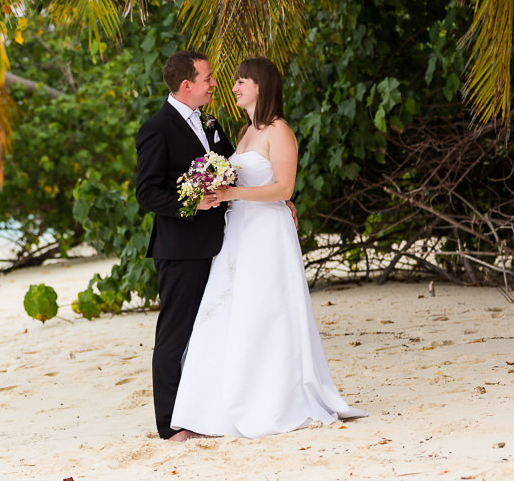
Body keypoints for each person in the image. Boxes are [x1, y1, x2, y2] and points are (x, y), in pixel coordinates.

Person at [170, 56, 366, 440]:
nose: (235, 87)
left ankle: (272, 400)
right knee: (227, 311)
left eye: (242, 81)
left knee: (266, 312)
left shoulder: (280, 131)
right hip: (239, 231)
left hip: (267, 233)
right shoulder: (244, 134)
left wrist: (232, 193)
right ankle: (210, 411)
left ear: (261, 85)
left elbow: (284, 189)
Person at [134, 50, 235, 440]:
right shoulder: (156, 129)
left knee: (210, 330)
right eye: (207, 78)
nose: (213, 83)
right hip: (180, 247)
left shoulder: (209, 121)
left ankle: (205, 411)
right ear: (187, 85)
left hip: (218, 243)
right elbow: (147, 193)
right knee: (175, 334)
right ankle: (170, 425)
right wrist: (192, 201)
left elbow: (228, 162)